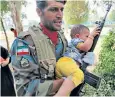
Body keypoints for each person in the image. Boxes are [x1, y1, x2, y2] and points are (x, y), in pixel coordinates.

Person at [10, 0, 74, 96]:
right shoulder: (24, 42)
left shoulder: (62, 39)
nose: (60, 15)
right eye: (53, 9)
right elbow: (26, 89)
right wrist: (68, 81)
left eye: (62, 9)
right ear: (39, 12)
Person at [55, 24, 100, 96]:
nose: (88, 38)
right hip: (66, 62)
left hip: (64, 68)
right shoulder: (75, 41)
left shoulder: (78, 45)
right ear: (77, 36)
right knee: (79, 75)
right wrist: (91, 36)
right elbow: (86, 47)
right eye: (87, 36)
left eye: (88, 36)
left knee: (65, 91)